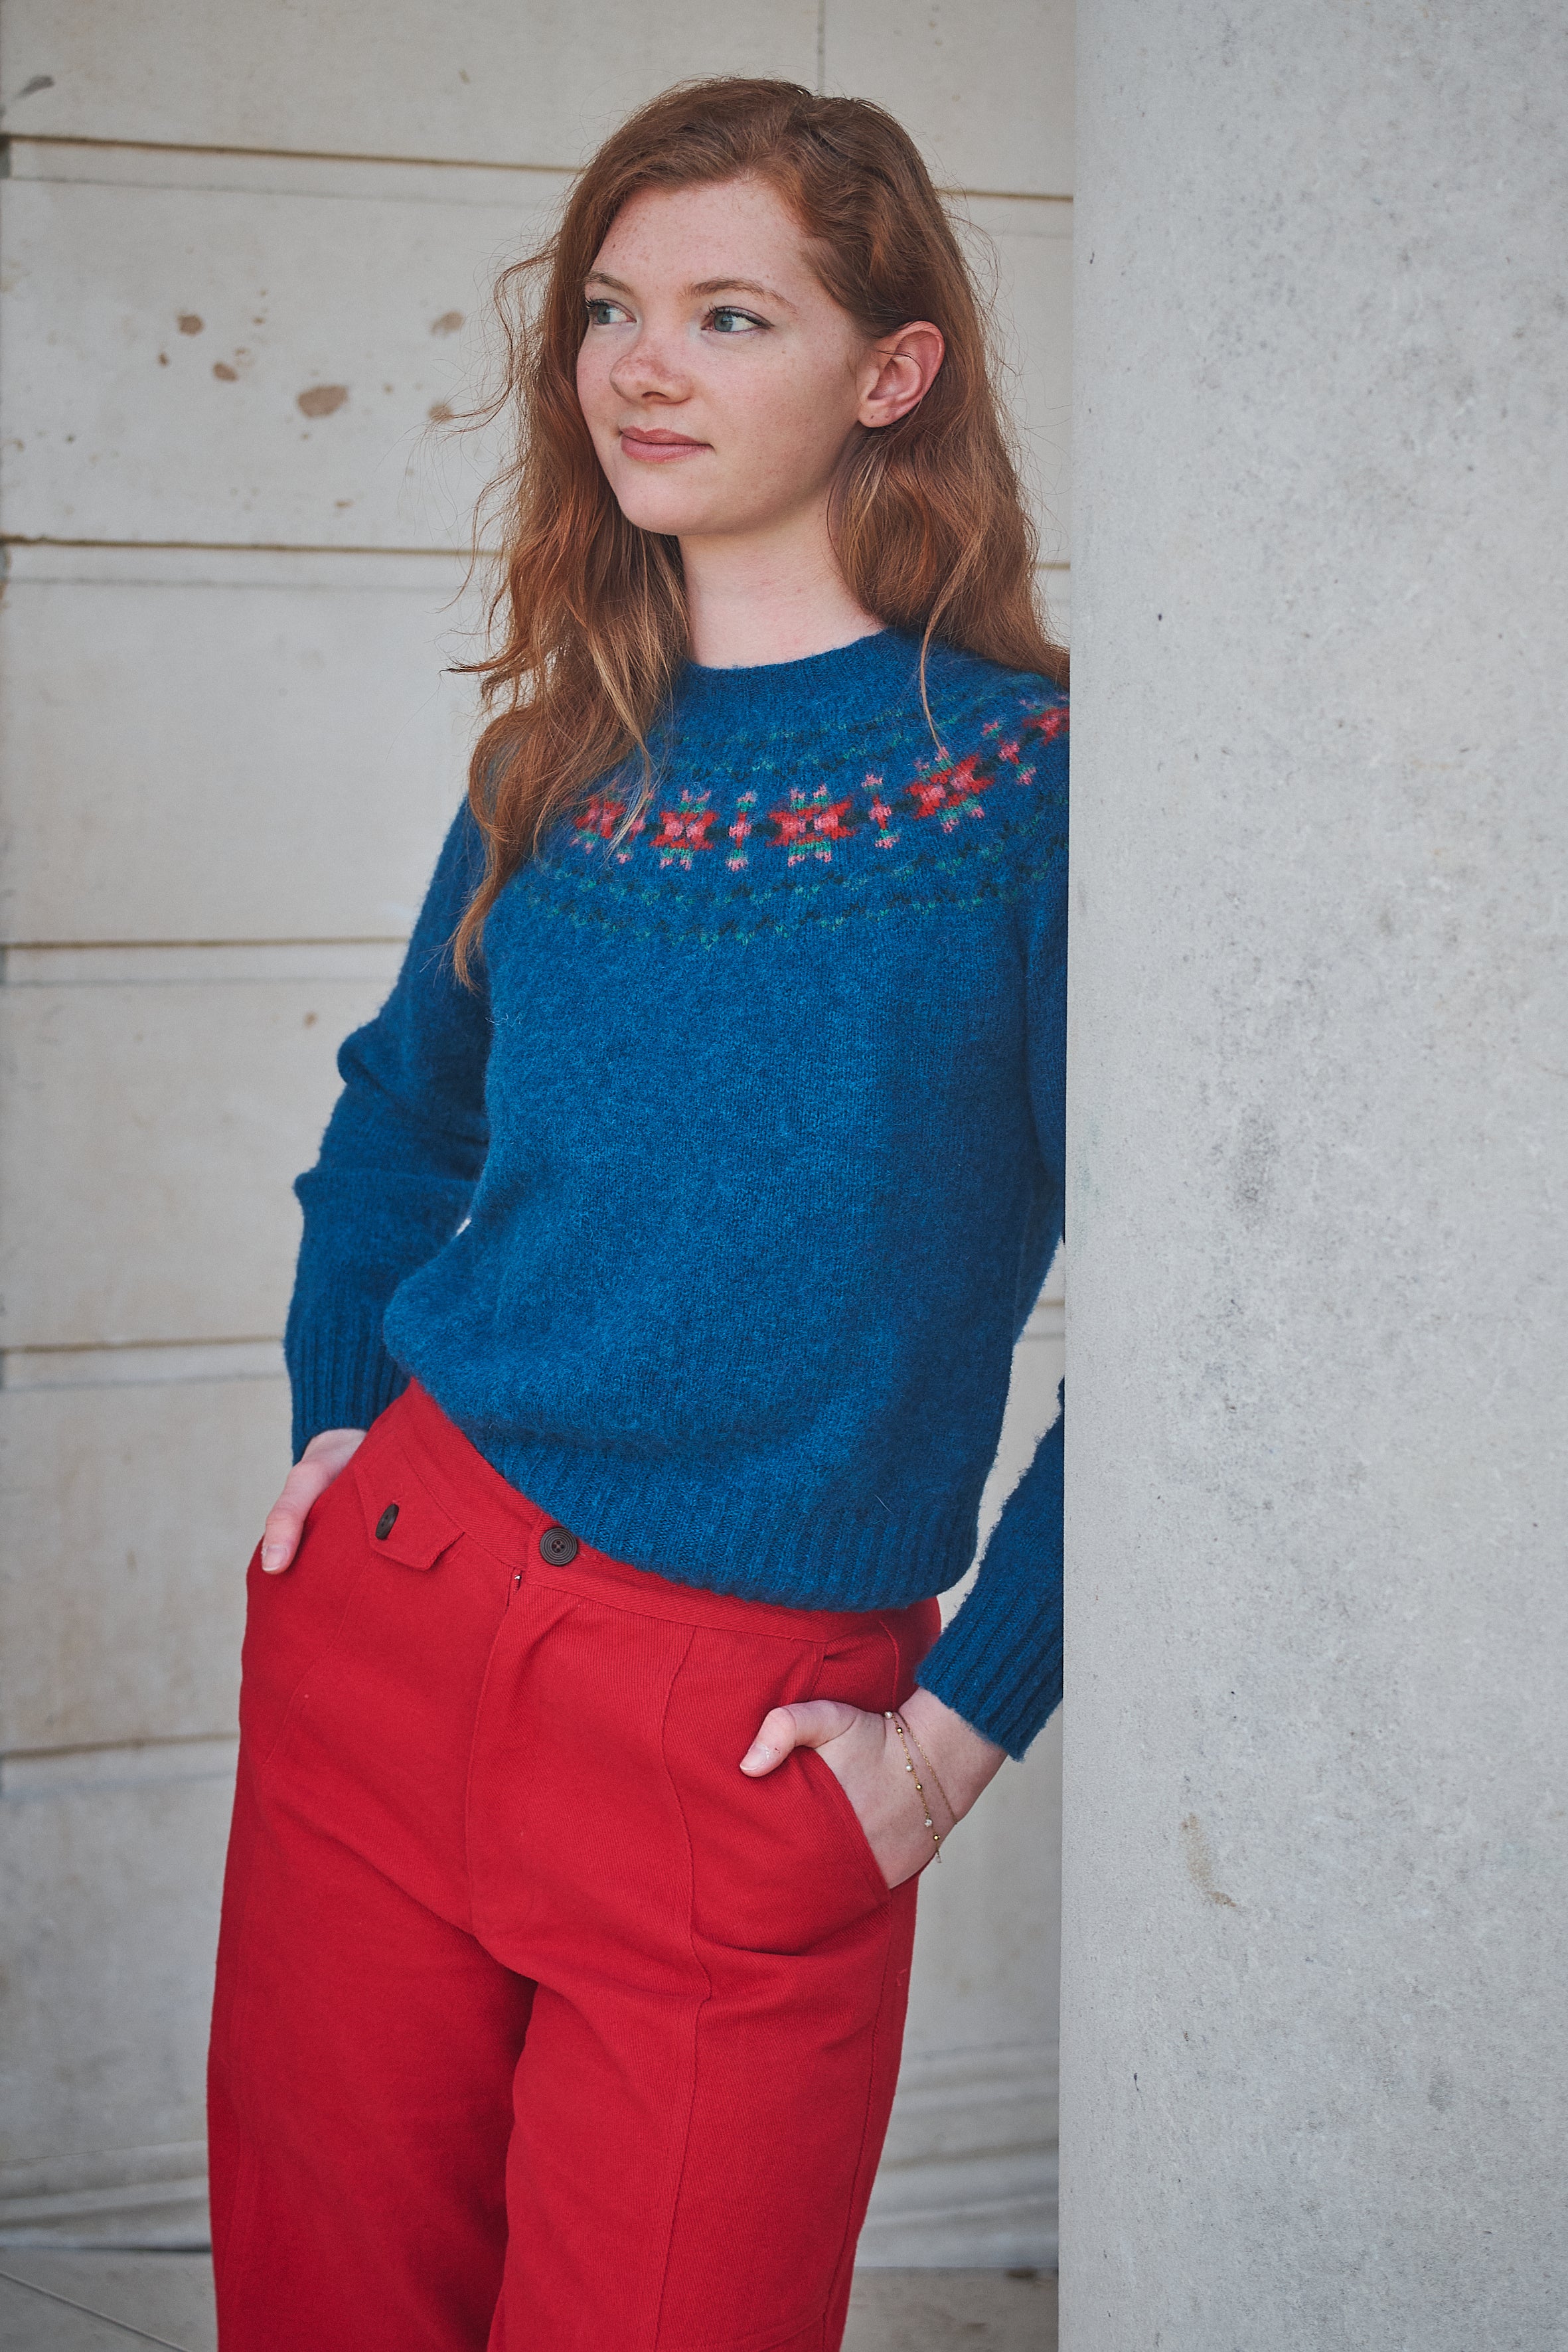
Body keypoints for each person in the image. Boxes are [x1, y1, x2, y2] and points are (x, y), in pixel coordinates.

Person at [207, 74, 1067, 2352]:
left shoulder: (1037, 794)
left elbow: (1209, 1325)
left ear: (893, 373)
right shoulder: (559, 750)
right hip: (393, 1628)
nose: (638, 366)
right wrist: (336, 1429)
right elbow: (404, 1120)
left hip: (748, 1737)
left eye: (722, 312)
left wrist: (958, 1734)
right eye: (606, 306)